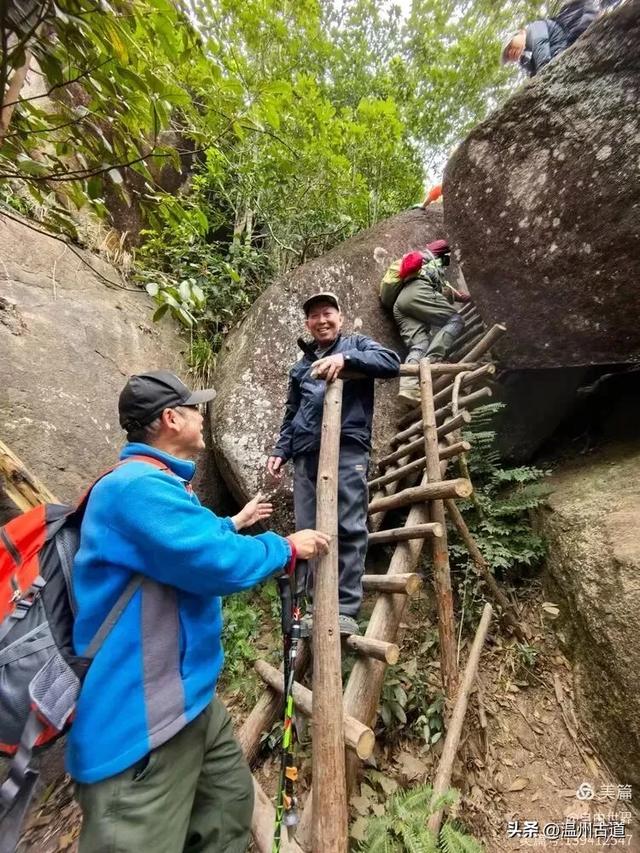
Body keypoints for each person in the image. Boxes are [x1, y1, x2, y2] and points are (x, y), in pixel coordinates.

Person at [67, 369, 329, 853]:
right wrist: (286, 546)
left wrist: (234, 522)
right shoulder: (136, 489)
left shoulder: (159, 485)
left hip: (189, 705)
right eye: (194, 407)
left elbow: (187, 543)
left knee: (228, 811)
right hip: (139, 727)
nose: (202, 416)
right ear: (171, 418)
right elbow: (214, 563)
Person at [266, 293, 400, 637]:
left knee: (349, 524)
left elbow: (390, 361)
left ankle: (344, 607)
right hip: (306, 453)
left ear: (339, 317)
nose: (321, 320)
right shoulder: (302, 364)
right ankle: (313, 606)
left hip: (347, 447)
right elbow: (292, 412)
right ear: (308, 323)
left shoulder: (357, 344)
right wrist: (281, 448)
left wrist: (346, 357)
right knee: (308, 528)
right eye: (314, 316)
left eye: (327, 313)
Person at [382, 240, 470, 406]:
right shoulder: (431, 262)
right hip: (418, 292)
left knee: (420, 344)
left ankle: (408, 388)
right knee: (455, 319)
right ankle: (431, 362)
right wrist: (459, 297)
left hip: (399, 305)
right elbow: (440, 289)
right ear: (442, 253)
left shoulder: (412, 263)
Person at [500, 0, 599, 76]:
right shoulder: (527, 60)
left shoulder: (533, 28)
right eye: (508, 57)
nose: (510, 53)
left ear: (521, 32)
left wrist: (543, 72)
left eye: (510, 46)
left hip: (573, 29)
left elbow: (540, 46)